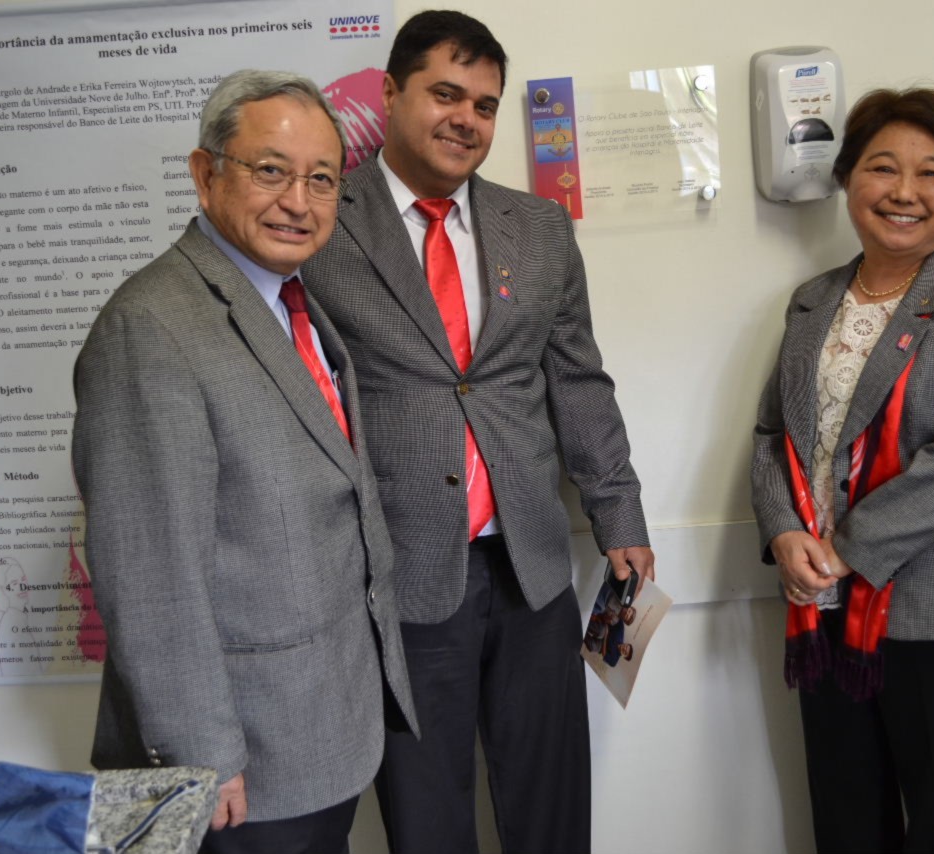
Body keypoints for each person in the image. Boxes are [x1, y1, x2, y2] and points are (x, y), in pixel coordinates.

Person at [303, 11, 654, 854]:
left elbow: (577, 380)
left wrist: (620, 516)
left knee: (551, 807)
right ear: (392, 94)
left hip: (531, 567)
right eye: (446, 94)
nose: (467, 118)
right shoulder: (318, 222)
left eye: (485, 106)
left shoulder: (538, 228)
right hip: (401, 570)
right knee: (427, 814)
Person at [72, 69, 417, 854]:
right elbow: (149, 574)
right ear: (206, 175)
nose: (298, 201)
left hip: (316, 731)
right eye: (270, 170)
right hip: (236, 768)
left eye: (321, 179)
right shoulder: (149, 329)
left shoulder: (290, 298)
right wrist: (201, 756)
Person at [750, 87, 934, 854]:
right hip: (819, 602)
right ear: (848, 180)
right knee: (846, 816)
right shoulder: (812, 302)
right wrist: (782, 532)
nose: (904, 191)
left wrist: (845, 548)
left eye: (932, 172)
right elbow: (774, 434)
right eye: (882, 168)